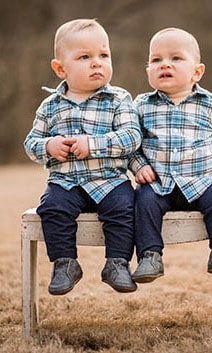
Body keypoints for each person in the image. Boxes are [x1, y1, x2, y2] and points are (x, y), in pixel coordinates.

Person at [24, 18, 142, 295]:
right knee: (52, 208)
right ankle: (65, 263)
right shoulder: (50, 106)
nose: (96, 63)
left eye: (103, 55)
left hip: (110, 180)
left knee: (124, 209)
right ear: (60, 68)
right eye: (84, 57)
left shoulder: (119, 99)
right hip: (65, 182)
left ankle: (117, 263)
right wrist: (48, 146)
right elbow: (31, 143)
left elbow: (132, 137)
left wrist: (94, 144)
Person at [129, 27, 212, 283]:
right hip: (157, 184)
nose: (164, 65)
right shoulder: (140, 105)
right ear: (147, 70)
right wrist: (138, 166)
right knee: (143, 204)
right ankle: (150, 256)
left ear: (197, 71)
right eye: (156, 60)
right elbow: (130, 143)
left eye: (175, 58)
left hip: (201, 182)